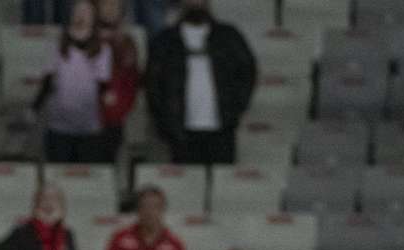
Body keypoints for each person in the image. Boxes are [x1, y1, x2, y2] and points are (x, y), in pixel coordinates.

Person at [145, 0, 256, 165]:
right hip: (180, 134)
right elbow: (153, 86)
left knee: (221, 187)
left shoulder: (229, 36)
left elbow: (247, 73)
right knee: (186, 190)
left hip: (222, 132)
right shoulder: (164, 41)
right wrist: (166, 123)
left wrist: (234, 110)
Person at [34, 0, 114, 164]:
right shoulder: (56, 45)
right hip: (59, 127)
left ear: (94, 17)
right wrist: (33, 109)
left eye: (86, 11)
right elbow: (47, 82)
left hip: (90, 128)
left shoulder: (103, 49)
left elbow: (103, 85)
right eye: (77, 10)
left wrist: (108, 97)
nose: (81, 15)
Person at [95, 0, 140, 161]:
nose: (110, 9)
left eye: (115, 4)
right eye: (106, 4)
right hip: (84, 118)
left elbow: (131, 83)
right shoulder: (84, 38)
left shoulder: (127, 43)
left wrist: (117, 110)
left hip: (113, 120)